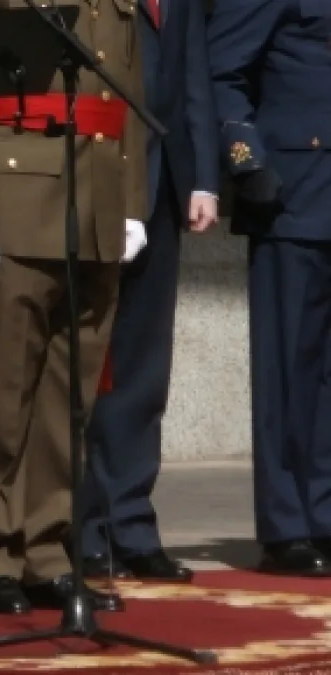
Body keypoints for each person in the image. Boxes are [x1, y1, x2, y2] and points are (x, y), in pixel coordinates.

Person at [0, 0, 149, 614]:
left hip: (95, 204)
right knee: (1, 395)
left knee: (67, 400)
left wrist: (130, 199)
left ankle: (47, 551)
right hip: (14, 201)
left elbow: (125, 86)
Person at [79, 0, 220, 583]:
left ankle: (132, 524)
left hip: (163, 187)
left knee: (143, 370)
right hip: (98, 181)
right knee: (87, 363)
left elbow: (192, 74)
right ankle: (83, 526)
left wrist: (204, 176)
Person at [207, 0, 331, 577]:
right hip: (296, 194)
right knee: (287, 372)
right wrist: (247, 161)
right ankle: (288, 527)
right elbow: (223, 69)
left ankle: (325, 515)